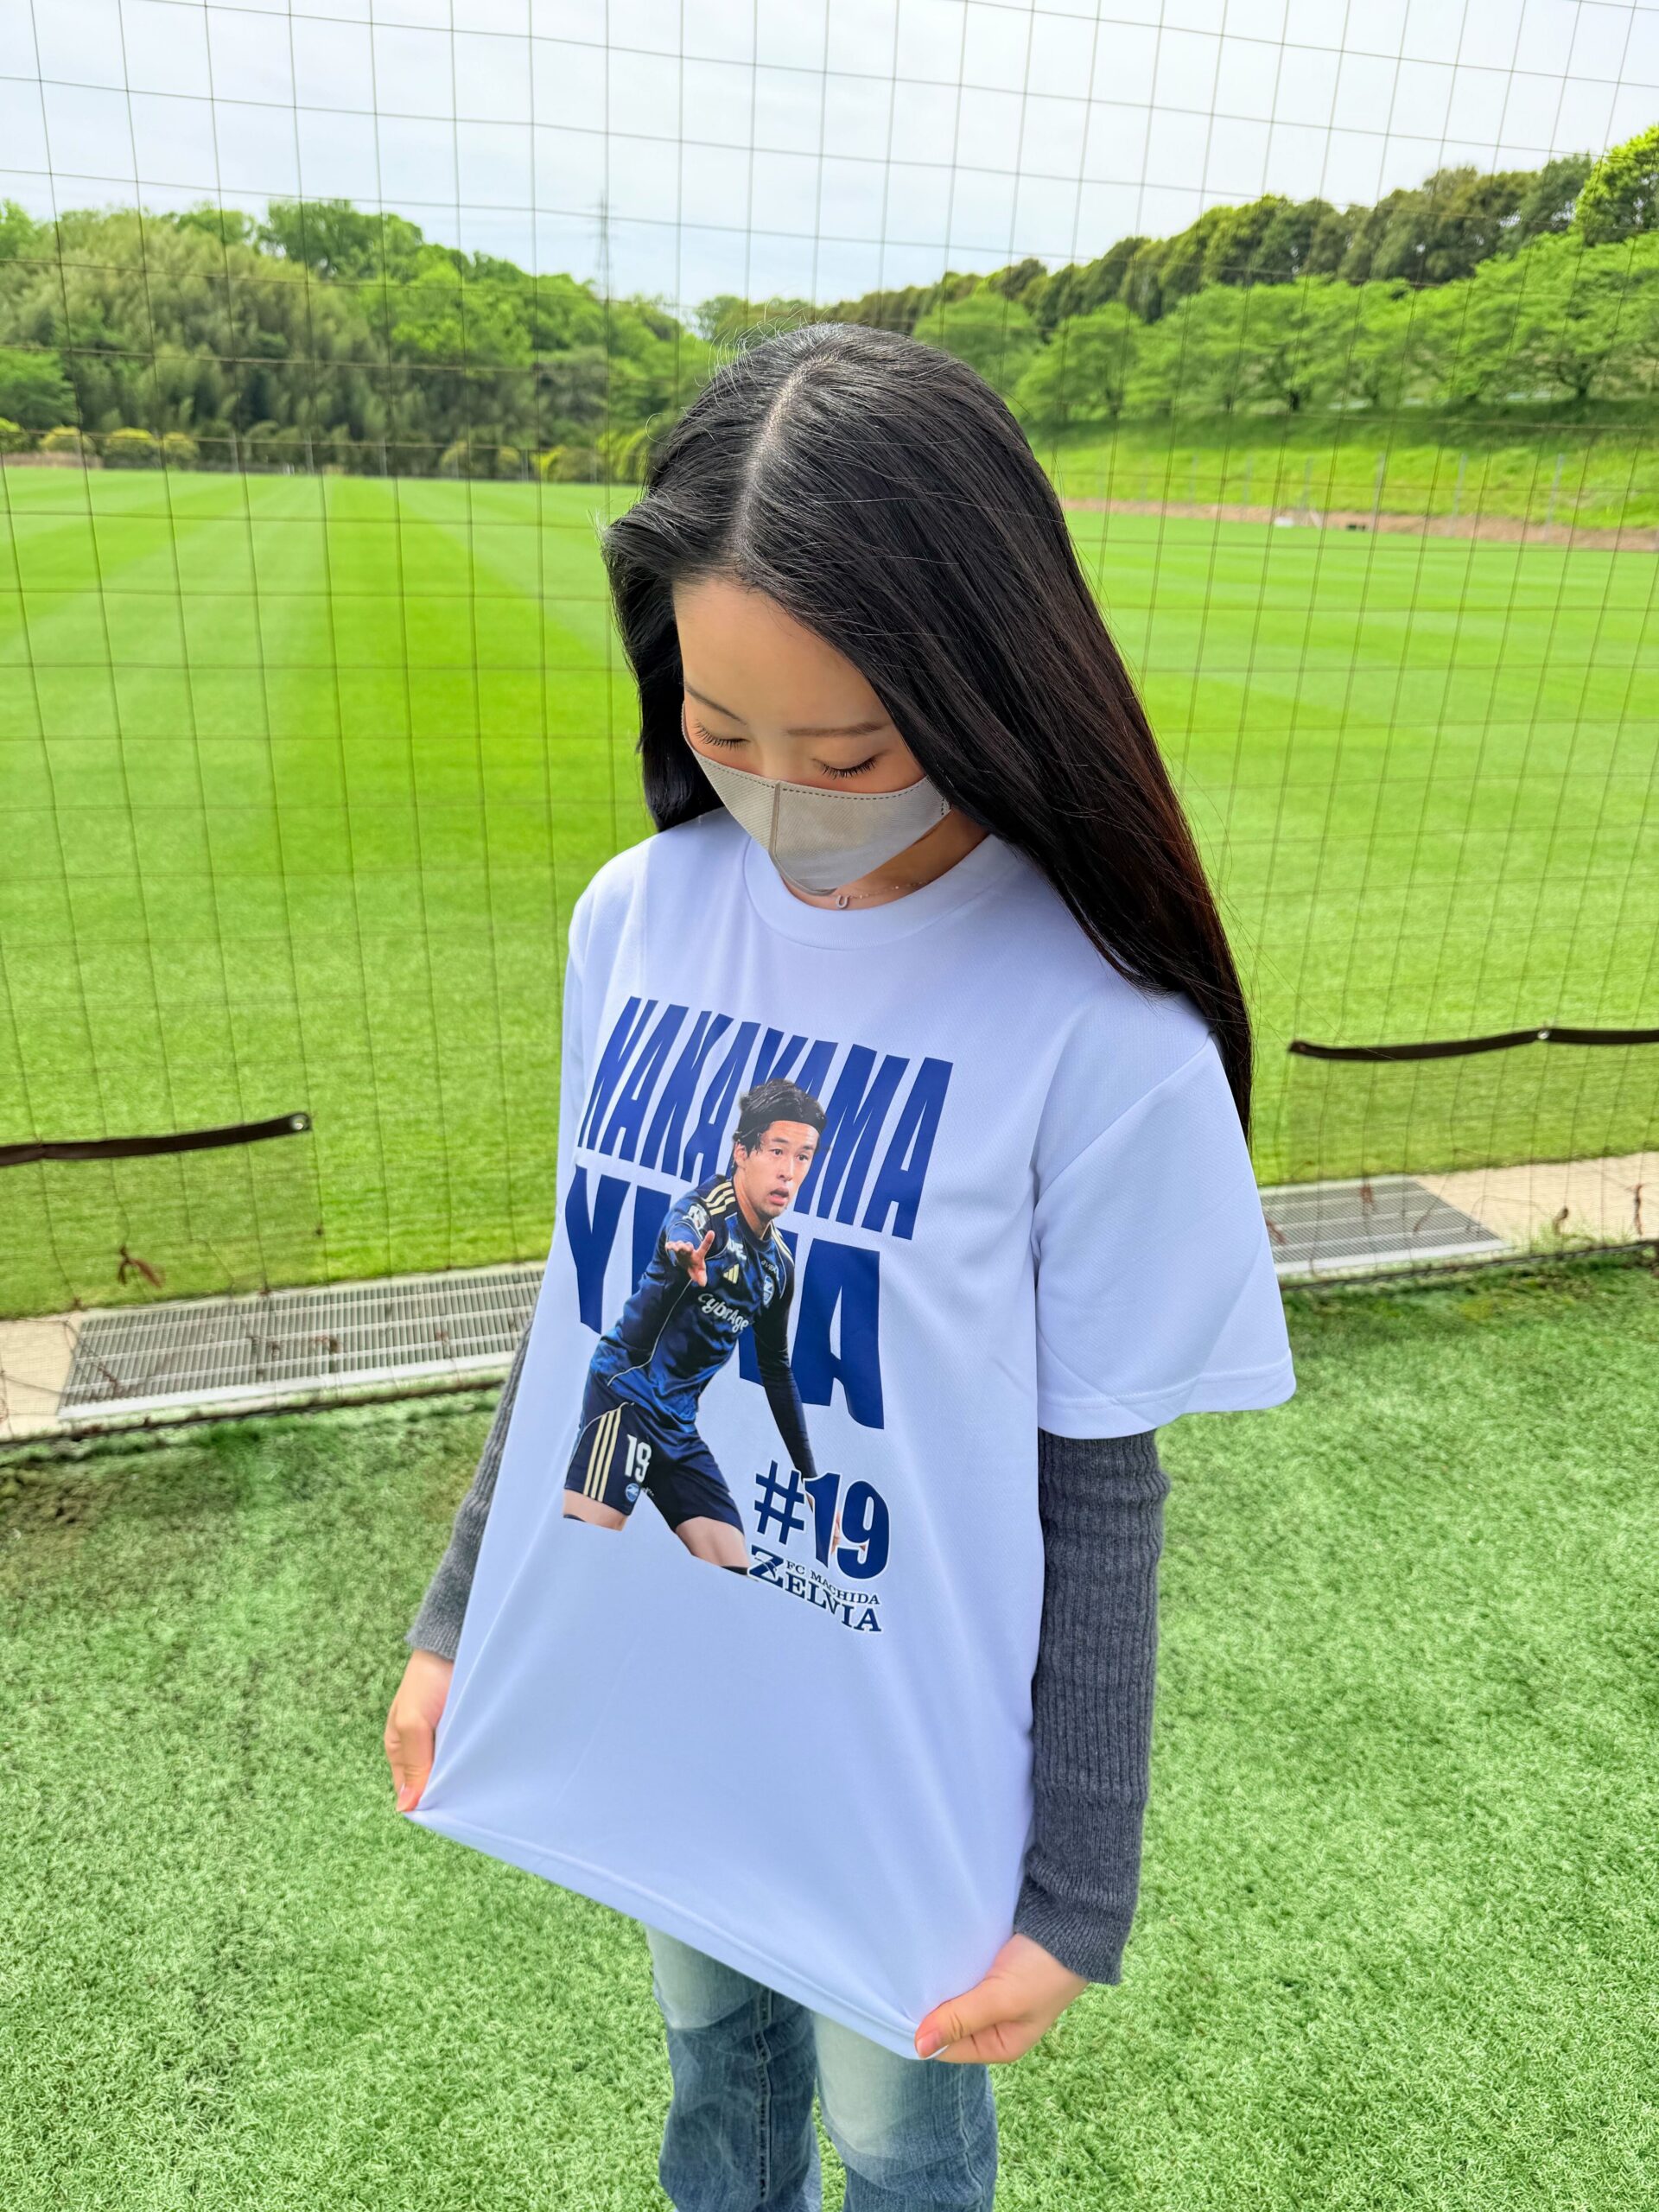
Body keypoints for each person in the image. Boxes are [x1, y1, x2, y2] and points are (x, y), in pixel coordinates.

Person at [384, 321, 1295, 2212]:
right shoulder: (636, 919)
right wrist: (457, 1620)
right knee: (713, 2067)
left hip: (901, 1772)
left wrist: (1077, 1892)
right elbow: (583, 1311)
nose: (786, 801)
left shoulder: (1099, 1034)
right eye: (726, 736)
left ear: (982, 681)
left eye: (851, 749)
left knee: (896, 2142)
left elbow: (1100, 1483)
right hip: (664, 1705)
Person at [563, 1077, 826, 1570]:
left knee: (732, 1570)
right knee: (581, 1559)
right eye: (776, 1151)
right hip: (626, 1398)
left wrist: (809, 1477)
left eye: (803, 1157)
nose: (788, 1172)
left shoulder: (778, 1268)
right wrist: (682, 1251)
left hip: (678, 1426)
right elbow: (683, 1224)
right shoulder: (708, 1213)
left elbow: (776, 1370)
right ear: (741, 1152)